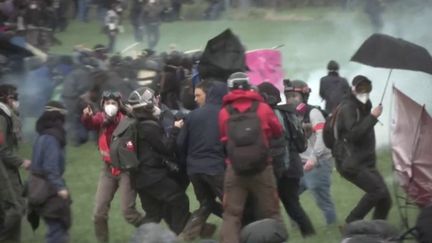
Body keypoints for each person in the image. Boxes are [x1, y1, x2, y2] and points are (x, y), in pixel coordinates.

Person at [218, 72, 284, 243]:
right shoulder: (263, 108)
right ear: (249, 86)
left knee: (232, 214)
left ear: (230, 88)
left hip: (235, 168)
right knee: (271, 211)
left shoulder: (224, 112)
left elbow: (224, 138)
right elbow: (277, 131)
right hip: (263, 167)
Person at [81, 91, 144, 243]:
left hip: (125, 171)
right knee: (98, 213)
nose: (110, 106)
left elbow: (138, 120)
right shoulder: (101, 119)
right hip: (108, 170)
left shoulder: (126, 119)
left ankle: (154, 232)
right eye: (107, 103)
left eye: (114, 103)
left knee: (128, 212)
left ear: (119, 105)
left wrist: (125, 110)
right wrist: (86, 116)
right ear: (102, 105)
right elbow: (90, 123)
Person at [127, 87, 190, 235]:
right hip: (153, 176)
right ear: (148, 105)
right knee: (180, 200)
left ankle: (142, 239)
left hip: (139, 178)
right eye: (153, 100)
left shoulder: (135, 123)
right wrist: (175, 129)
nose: (156, 101)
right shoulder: (149, 126)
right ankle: (179, 237)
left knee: (153, 215)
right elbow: (167, 148)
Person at [258, 81, 316, 237]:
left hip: (279, 167)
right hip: (293, 165)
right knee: (292, 204)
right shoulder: (288, 112)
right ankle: (309, 234)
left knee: (271, 206)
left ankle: (279, 236)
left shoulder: (267, 114)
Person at [333, 75, 391, 224]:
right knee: (376, 191)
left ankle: (376, 232)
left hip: (366, 161)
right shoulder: (348, 107)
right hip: (351, 163)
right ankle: (350, 224)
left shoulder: (365, 105)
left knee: (385, 200)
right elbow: (353, 135)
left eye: (367, 88)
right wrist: (372, 117)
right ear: (353, 89)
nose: (364, 91)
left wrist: (371, 115)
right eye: (360, 88)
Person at [177, 81, 227, 241]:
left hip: (194, 170)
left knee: (206, 203)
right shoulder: (224, 114)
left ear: (209, 95)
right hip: (216, 168)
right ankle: (238, 234)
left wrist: (187, 164)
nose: (196, 99)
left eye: (198, 95)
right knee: (234, 204)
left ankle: (186, 236)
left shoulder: (192, 115)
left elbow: (180, 143)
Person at [289, 80, 337, 225]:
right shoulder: (290, 113)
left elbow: (322, 137)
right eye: (288, 95)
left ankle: (331, 228)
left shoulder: (313, 112)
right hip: (300, 164)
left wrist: (314, 158)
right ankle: (298, 227)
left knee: (322, 200)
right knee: (290, 197)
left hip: (318, 163)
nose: (290, 99)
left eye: (294, 95)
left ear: (304, 96)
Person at [27, 101, 71, 243]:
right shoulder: (52, 138)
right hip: (49, 190)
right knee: (57, 229)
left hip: (36, 189)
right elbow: (50, 168)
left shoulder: (41, 136)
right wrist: (60, 188)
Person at [0, 84, 31, 243]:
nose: (17, 101)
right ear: (8, 98)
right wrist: (21, 162)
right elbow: (2, 149)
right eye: (14, 97)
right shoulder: (1, 117)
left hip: (7, 168)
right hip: (3, 170)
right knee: (16, 208)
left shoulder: (6, 115)